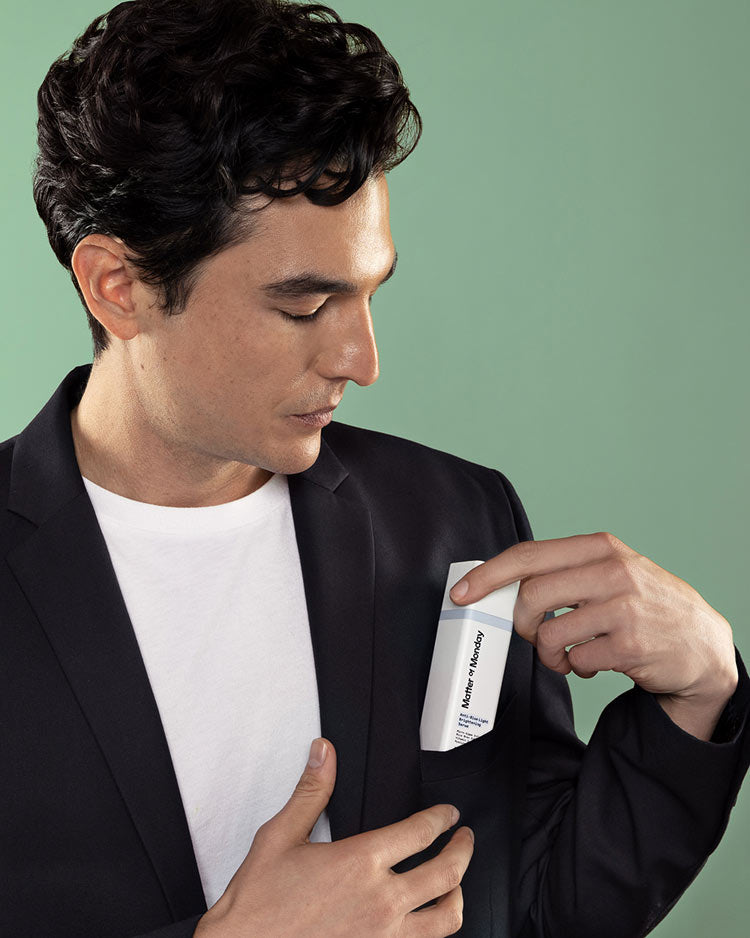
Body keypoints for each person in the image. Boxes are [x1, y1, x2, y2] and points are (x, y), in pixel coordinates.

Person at [3, 1, 748, 936]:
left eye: (367, 291)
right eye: (306, 304)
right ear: (118, 285)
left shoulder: (454, 514)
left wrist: (700, 693)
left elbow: (535, 908)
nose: (362, 360)